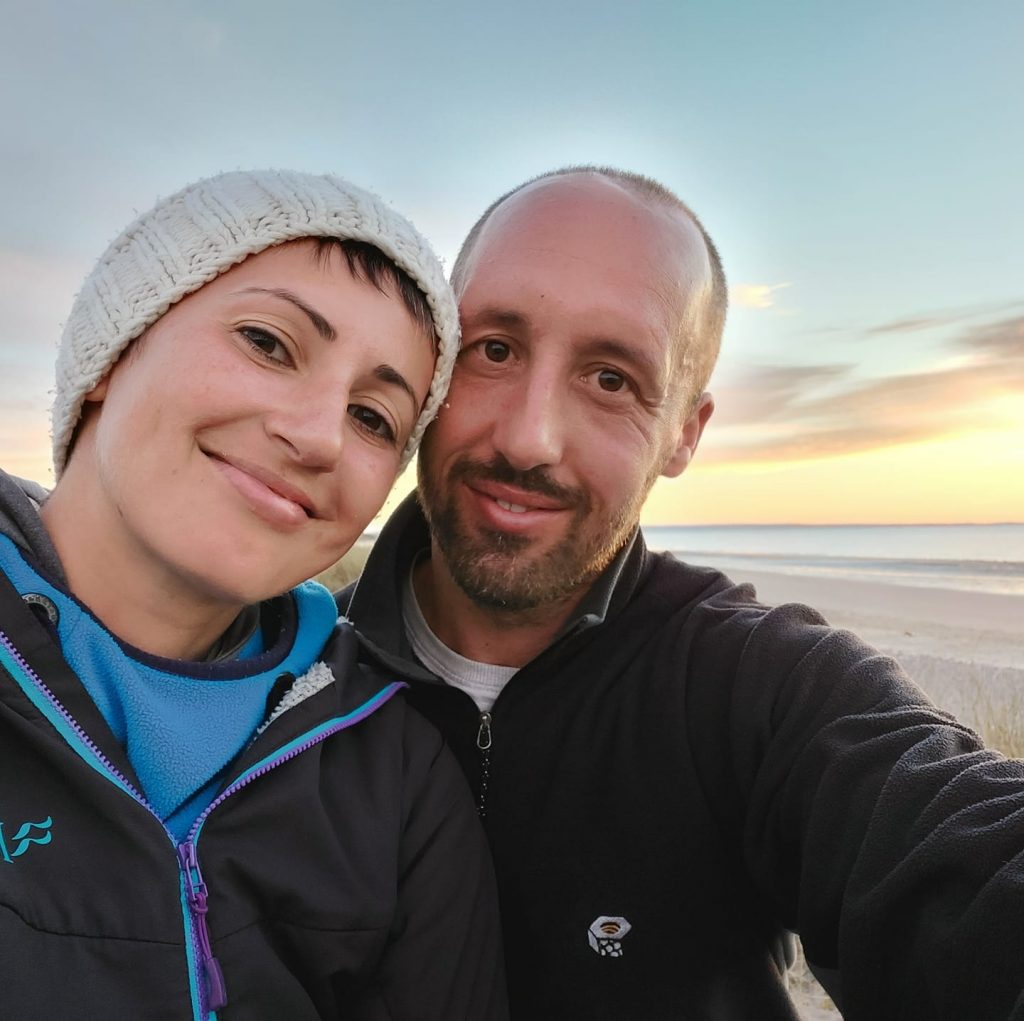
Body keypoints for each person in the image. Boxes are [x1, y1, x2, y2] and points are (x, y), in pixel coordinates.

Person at [340, 165, 1024, 1020]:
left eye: (611, 379)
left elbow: (958, 857)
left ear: (683, 435)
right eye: (496, 349)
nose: (527, 437)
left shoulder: (756, 684)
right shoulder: (293, 682)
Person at [0, 169, 506, 1020]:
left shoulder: (396, 774)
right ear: (114, 354)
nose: (317, 436)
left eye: (373, 417)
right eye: (268, 343)